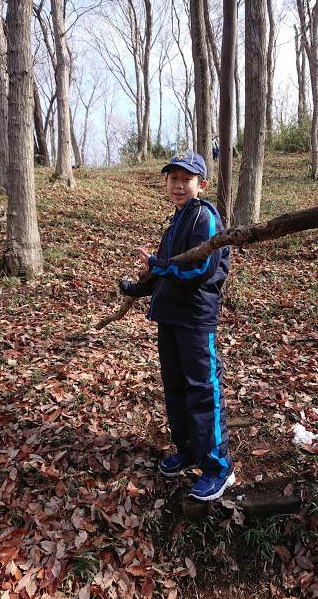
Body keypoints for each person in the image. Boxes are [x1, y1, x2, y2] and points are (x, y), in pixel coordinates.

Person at [119, 152, 234, 501]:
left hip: (195, 317)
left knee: (202, 388)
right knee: (175, 385)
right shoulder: (175, 221)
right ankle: (187, 449)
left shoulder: (205, 217)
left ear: (202, 184)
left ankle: (218, 466)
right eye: (173, 178)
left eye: (187, 179)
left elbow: (199, 270)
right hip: (169, 316)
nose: (179, 185)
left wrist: (159, 265)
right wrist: (139, 287)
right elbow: (164, 272)